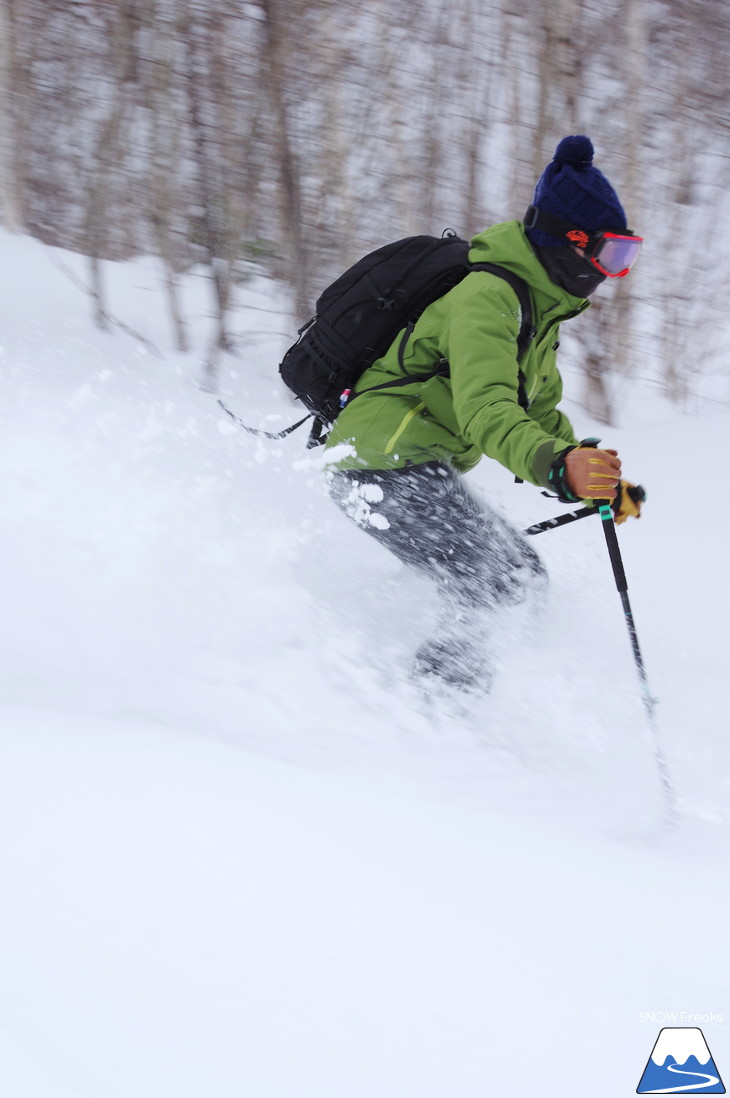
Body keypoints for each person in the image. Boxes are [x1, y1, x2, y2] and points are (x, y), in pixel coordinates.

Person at [323, 135, 644, 693]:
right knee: (498, 582)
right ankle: (426, 717)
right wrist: (556, 465)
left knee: (518, 578)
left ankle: (418, 695)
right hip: (381, 464)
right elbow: (487, 408)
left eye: (626, 256)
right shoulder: (488, 296)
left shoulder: (535, 312)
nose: (615, 271)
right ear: (571, 243)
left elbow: (538, 413)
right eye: (613, 254)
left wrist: (587, 470)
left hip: (412, 466)